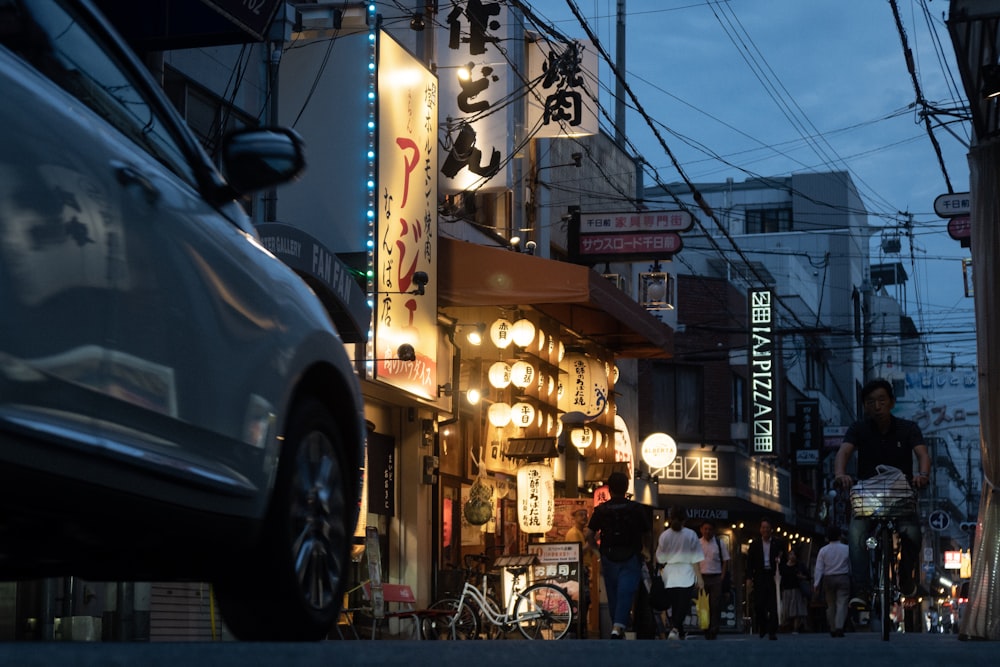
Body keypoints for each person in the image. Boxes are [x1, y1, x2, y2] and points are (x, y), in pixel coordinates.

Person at [834, 378, 931, 600]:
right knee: (856, 533)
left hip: (900, 496)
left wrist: (922, 475)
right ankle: (861, 589)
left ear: (892, 402)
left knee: (913, 535)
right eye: (870, 402)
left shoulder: (908, 428)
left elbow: (922, 454)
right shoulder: (858, 429)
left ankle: (905, 577)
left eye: (881, 400)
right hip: (868, 497)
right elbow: (844, 452)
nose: (876, 407)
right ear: (864, 406)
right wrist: (840, 475)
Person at [587, 472, 652, 639]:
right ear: (626, 488)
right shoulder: (636, 508)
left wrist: (597, 552)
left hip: (608, 556)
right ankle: (618, 626)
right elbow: (647, 532)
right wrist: (645, 550)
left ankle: (617, 625)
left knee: (613, 592)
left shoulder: (601, 510)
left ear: (609, 489)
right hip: (631, 555)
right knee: (626, 591)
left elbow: (589, 534)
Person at [655, 505, 704, 640]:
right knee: (683, 604)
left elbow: (660, 557)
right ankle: (676, 629)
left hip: (670, 573)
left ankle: (678, 631)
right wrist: (699, 578)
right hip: (686, 572)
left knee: (675, 604)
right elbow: (696, 559)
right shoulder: (691, 535)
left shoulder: (665, 536)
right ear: (685, 520)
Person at [745, 517, 785, 640]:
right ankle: (763, 625)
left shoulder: (777, 543)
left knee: (773, 603)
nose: (765, 530)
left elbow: (784, 557)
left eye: (767, 527)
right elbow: (749, 562)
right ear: (760, 529)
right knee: (759, 604)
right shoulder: (755, 544)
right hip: (760, 575)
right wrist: (749, 577)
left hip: (773, 575)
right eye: (763, 527)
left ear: (771, 529)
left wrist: (780, 562)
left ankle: (772, 631)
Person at [813, 524, 851, 637]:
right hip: (843, 577)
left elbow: (819, 568)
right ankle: (839, 626)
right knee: (842, 602)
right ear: (840, 536)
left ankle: (832, 627)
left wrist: (816, 583)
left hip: (828, 578)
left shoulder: (823, 550)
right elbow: (850, 565)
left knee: (830, 604)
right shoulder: (846, 549)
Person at [698, 520, 730, 640]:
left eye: (710, 529)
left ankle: (714, 629)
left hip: (716, 576)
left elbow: (725, 560)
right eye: (705, 529)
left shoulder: (719, 543)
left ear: (713, 530)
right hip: (702, 577)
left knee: (715, 605)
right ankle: (705, 628)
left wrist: (722, 576)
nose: (707, 531)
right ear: (701, 530)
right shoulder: (697, 543)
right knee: (703, 605)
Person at [778, 550, 809, 633]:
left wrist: (802, 577)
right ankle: (789, 627)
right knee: (787, 610)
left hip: (797, 589)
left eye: (793, 554)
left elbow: (808, 576)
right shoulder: (784, 566)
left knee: (796, 610)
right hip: (787, 589)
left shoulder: (800, 565)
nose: (792, 556)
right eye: (790, 554)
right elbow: (782, 577)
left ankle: (796, 628)